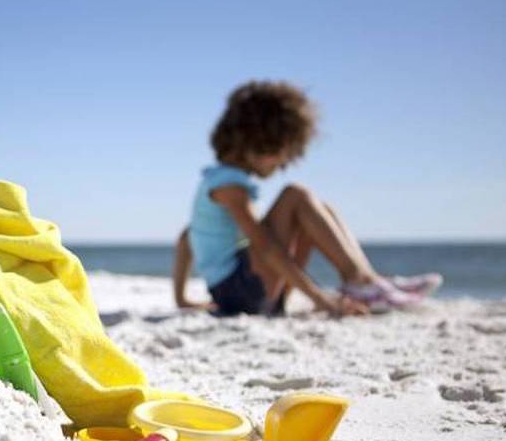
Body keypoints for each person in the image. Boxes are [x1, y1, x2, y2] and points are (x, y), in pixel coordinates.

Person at [173, 80, 441, 316]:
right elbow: (266, 247)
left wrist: (182, 299)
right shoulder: (230, 186)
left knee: (319, 210)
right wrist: (322, 300)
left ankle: (367, 279)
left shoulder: (217, 181)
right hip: (242, 293)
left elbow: (187, 237)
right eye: (284, 155)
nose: (286, 164)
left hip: (240, 293)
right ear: (261, 143)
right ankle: (361, 282)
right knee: (296, 196)